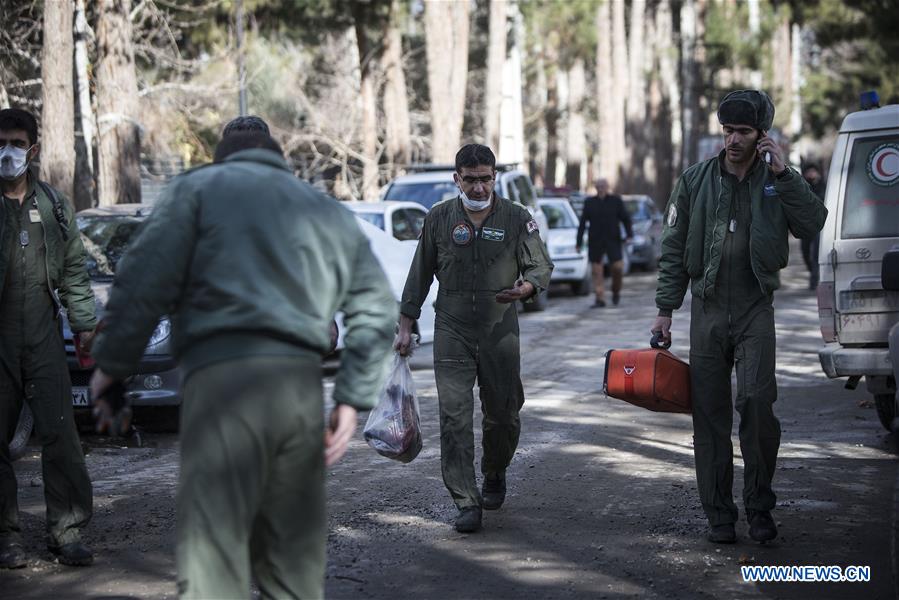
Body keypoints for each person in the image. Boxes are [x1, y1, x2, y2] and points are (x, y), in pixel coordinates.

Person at [89, 131, 397, 598]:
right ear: (279, 162)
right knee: (292, 561)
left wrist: (111, 367)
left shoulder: (196, 192)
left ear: (221, 160)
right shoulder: (323, 210)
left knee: (214, 557)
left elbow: (142, 281)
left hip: (221, 386)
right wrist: (351, 400)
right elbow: (375, 308)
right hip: (298, 389)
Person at [651, 90, 826, 544]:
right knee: (709, 416)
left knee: (756, 405)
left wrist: (785, 173)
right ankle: (719, 515)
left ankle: (760, 507)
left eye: (743, 132)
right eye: (727, 130)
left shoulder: (776, 181)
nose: (732, 139)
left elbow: (813, 224)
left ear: (762, 136)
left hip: (754, 309)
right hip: (707, 311)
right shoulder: (695, 180)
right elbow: (671, 249)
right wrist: (664, 311)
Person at [395, 143, 553, 533]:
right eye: (471, 180)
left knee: (503, 414)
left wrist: (527, 288)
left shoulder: (517, 217)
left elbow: (540, 266)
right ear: (457, 180)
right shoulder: (438, 218)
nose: (479, 187)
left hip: (499, 327)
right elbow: (419, 275)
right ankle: (466, 500)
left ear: (494, 177)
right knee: (454, 417)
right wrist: (404, 324)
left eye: (485, 178)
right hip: (452, 328)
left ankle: (494, 470)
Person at [0, 108, 97, 568]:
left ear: (33, 149)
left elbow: (75, 273)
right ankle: (5, 538)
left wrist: (84, 327)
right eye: (1, 143)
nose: (7, 152)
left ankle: (68, 531)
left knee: (60, 433)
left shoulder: (54, 206)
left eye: (17, 143)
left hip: (42, 334)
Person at [576, 177, 633, 307]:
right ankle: (599, 298)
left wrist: (629, 235)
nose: (600, 187)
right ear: (595, 187)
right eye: (598, 185)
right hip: (595, 241)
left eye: (603, 185)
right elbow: (582, 224)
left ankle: (616, 291)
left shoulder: (616, 201)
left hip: (613, 240)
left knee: (617, 268)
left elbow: (625, 219)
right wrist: (578, 243)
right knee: (597, 271)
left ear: (607, 187)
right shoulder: (589, 202)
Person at [800, 163, 826, 290]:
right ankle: (813, 272)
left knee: (815, 253)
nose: (811, 174)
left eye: (813, 172)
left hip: (819, 225)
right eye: (808, 172)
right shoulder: (801, 185)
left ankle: (814, 280)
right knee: (805, 252)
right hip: (805, 225)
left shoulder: (823, 185)